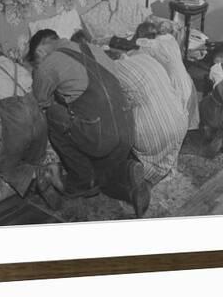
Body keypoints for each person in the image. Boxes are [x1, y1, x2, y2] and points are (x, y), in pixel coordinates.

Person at [28, 29, 151, 218]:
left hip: (99, 135)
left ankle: (82, 179)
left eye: (35, 63)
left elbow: (40, 101)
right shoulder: (94, 48)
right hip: (126, 127)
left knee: (52, 114)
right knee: (104, 176)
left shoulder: (48, 63)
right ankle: (126, 175)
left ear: (40, 52)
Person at [0, 51, 64, 208]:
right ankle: (44, 173)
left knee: (5, 166)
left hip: (18, 122)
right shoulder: (17, 67)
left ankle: (38, 174)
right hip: (38, 118)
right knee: (34, 157)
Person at [113, 51, 188, 185]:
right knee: (168, 155)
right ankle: (163, 175)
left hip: (153, 132)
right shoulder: (145, 58)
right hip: (179, 118)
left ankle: (142, 178)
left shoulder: (114, 69)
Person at [133, 21, 200, 130]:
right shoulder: (169, 39)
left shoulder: (148, 46)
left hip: (173, 83)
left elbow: (138, 56)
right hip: (187, 81)